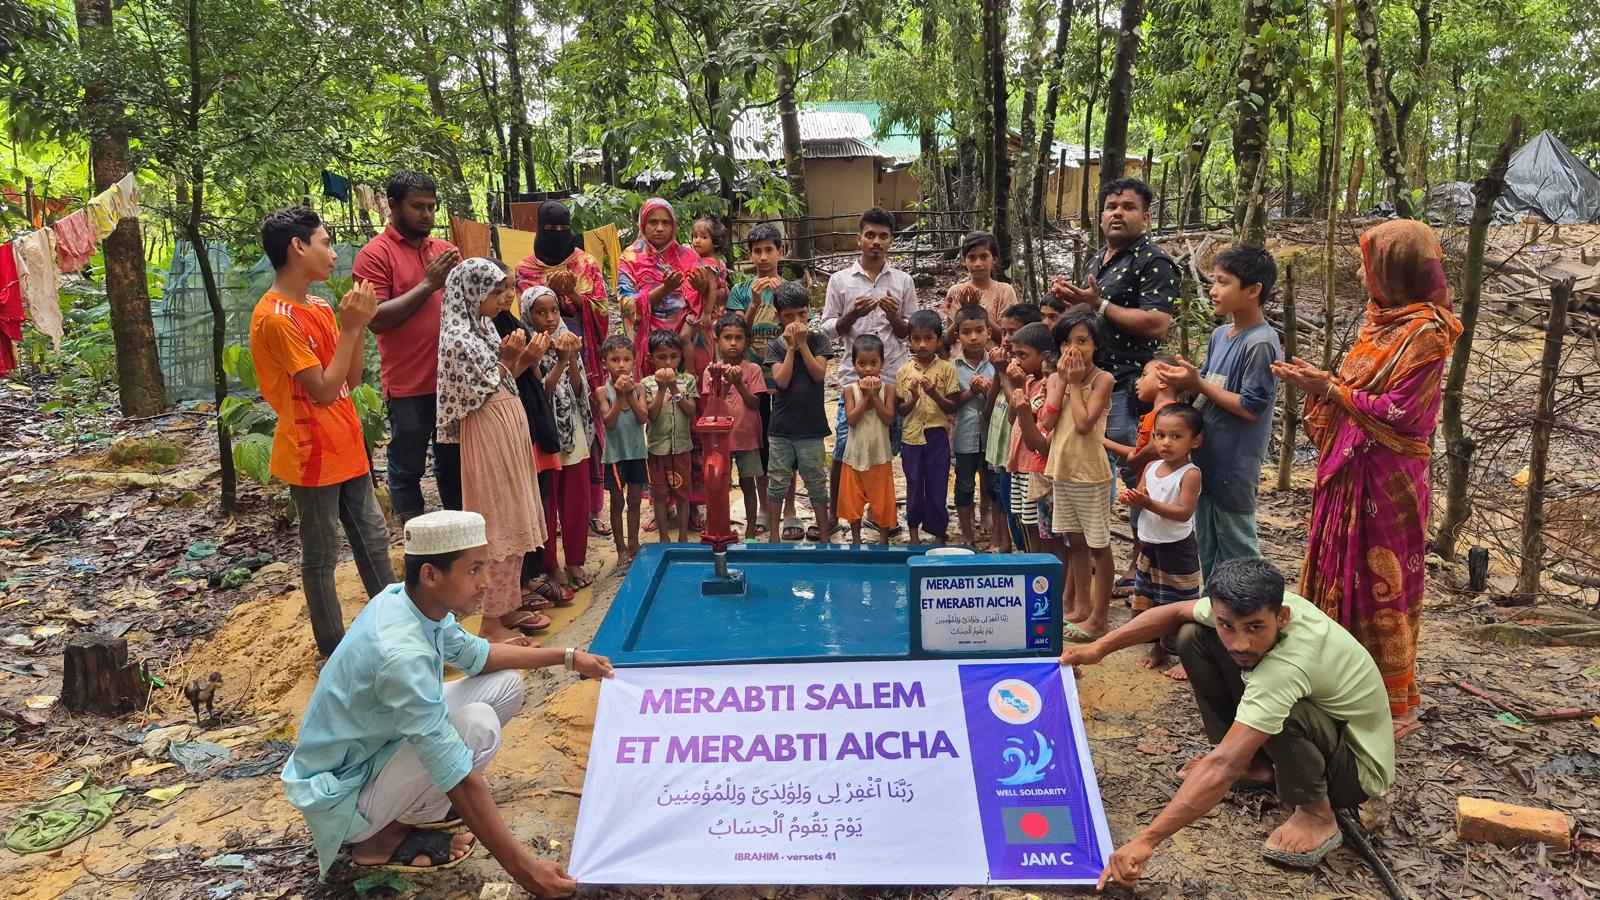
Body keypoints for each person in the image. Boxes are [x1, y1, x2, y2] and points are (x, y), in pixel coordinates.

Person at [281, 509, 611, 899]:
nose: (486, 583)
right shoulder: (400, 653)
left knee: (503, 686)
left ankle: (418, 809)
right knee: (475, 727)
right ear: (431, 575)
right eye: (473, 570)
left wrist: (569, 657)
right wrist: (527, 872)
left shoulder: (408, 602)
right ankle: (380, 839)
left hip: (378, 747)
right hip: (344, 797)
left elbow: (478, 656)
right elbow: (455, 771)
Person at [1061, 559, 1395, 888]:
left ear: (1282, 617)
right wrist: (1099, 649)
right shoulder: (1258, 606)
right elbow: (1175, 613)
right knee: (1192, 634)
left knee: (1284, 710)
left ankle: (1317, 813)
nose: (1239, 642)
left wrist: (1146, 841)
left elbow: (1223, 765)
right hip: (1324, 735)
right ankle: (1258, 764)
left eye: (1254, 627)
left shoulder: (1289, 668)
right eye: (1227, 625)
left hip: (1354, 770)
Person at [1271, 219, 1462, 737]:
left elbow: (1401, 414)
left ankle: (1390, 702)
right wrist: (1320, 385)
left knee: (1380, 584)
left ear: (1394, 270)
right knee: (1340, 570)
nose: (1359, 272)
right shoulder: (1381, 322)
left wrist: (1328, 388)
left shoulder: (1425, 332)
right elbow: (1353, 390)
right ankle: (1335, 681)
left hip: (1387, 478)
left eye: (1367, 261)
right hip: (1349, 467)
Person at [249, 206, 395, 660]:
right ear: (298, 247)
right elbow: (325, 391)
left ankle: (396, 635)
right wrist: (352, 326)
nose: (333, 254)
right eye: (325, 243)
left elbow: (348, 379)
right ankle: (334, 652)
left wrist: (357, 326)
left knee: (373, 539)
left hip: (347, 443)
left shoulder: (317, 306)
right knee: (322, 554)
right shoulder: (275, 318)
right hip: (310, 453)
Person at [435, 259, 549, 643]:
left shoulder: (482, 327)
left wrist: (520, 359)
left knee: (517, 514)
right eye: (496, 291)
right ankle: (491, 623)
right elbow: (478, 392)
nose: (504, 299)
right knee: (499, 523)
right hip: (487, 431)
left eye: (506, 290)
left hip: (506, 424)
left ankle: (508, 604)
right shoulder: (457, 338)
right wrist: (507, 359)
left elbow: (500, 381)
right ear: (472, 291)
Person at [1158, 245, 1281, 579]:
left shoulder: (1260, 343)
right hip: (1207, 460)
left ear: (1253, 290)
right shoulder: (1219, 335)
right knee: (1207, 548)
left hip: (1235, 465)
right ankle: (1215, 618)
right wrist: (1180, 385)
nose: (1213, 290)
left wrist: (1196, 383)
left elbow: (1250, 407)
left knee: (1239, 549)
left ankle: (1255, 615)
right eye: (1213, 281)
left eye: (1223, 282)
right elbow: (1208, 394)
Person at [1050, 178, 1180, 493]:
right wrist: (1072, 302)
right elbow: (1093, 317)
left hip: (1124, 385)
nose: (1117, 213)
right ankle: (1097, 537)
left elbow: (1156, 323)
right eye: (1111, 207)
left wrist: (1098, 303)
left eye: (1128, 207)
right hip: (1087, 379)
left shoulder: (1154, 262)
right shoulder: (1100, 258)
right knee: (1090, 461)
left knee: (1135, 469)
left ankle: (1148, 540)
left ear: (1146, 217)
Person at [353, 171, 463, 525]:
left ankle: (458, 536)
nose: (427, 214)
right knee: (407, 465)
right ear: (393, 204)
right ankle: (414, 537)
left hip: (454, 382)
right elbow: (376, 319)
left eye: (432, 207)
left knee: (453, 462)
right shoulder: (374, 255)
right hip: (408, 383)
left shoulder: (445, 251)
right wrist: (430, 283)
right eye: (418, 207)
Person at [513, 200, 611, 538]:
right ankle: (550, 511)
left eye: (562, 229)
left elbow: (603, 313)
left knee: (590, 428)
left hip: (584, 355)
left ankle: (593, 508)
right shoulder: (525, 268)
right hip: (540, 356)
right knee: (548, 431)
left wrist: (575, 297)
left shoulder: (586, 264)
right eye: (550, 229)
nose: (557, 235)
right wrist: (553, 293)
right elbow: (528, 311)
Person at [821, 208, 918, 535]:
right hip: (853, 381)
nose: (876, 242)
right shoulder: (840, 280)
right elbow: (828, 328)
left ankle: (882, 513)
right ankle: (836, 512)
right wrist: (850, 315)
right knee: (844, 448)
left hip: (894, 377)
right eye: (870, 235)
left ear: (891, 240)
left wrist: (894, 319)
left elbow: (911, 332)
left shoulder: (903, 281)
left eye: (883, 236)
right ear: (859, 238)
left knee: (885, 450)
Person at [1042, 306, 1116, 642]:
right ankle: (1081, 608)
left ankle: (1099, 618)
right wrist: (1059, 382)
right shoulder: (1056, 377)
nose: (1075, 349)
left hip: (1090, 474)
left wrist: (1073, 384)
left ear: (1096, 344)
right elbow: (1048, 420)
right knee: (1075, 543)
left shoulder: (1103, 379)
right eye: (1067, 342)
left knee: (1099, 546)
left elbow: (1085, 424)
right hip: (1062, 470)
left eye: (1083, 341)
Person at [1120, 402, 1204, 678]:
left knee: (1178, 604)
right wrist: (1132, 500)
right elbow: (1140, 498)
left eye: (1176, 436)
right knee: (1151, 598)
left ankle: (1187, 657)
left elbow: (1183, 513)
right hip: (1149, 547)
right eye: (1160, 435)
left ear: (1196, 440)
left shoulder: (1190, 474)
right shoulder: (1152, 466)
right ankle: (1158, 648)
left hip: (1176, 551)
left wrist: (1148, 502)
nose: (1166, 442)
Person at [523, 286, 595, 590]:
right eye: (541, 312)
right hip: (546, 433)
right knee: (548, 500)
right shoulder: (528, 346)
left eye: (553, 310)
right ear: (528, 314)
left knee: (577, 498)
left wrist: (572, 358)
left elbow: (579, 389)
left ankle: (575, 560)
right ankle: (551, 566)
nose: (550, 318)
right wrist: (562, 361)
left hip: (572, 429)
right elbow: (542, 392)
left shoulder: (567, 337)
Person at [724, 223, 791, 538]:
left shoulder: (789, 288)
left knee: (785, 445)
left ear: (781, 251)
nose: (764, 257)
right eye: (757, 251)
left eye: (769, 250)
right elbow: (737, 333)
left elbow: (796, 326)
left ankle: (789, 509)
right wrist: (752, 303)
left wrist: (781, 300)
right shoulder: (740, 290)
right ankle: (765, 508)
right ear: (749, 256)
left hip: (784, 379)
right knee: (761, 445)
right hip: (754, 381)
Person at [1104, 356, 1182, 597]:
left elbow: (1139, 457)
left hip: (1157, 492)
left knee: (1155, 540)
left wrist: (1103, 441)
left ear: (1162, 381)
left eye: (1145, 375)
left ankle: (1155, 593)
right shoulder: (1154, 414)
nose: (1138, 381)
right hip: (1147, 488)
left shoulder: (1164, 417)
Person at [765, 282, 835, 544]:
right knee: (778, 482)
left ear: (809, 313)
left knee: (816, 482)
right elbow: (780, 381)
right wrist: (791, 348)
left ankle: (825, 536)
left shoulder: (819, 341)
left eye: (801, 315)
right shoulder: (775, 346)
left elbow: (818, 374)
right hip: (781, 429)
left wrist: (803, 344)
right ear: (779, 317)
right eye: (789, 316)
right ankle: (774, 536)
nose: (796, 321)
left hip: (812, 428)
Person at [895, 309, 961, 545]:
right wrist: (913, 397)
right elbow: (901, 411)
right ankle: (913, 533)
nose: (922, 344)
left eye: (928, 339)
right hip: (911, 437)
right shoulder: (903, 372)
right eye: (916, 339)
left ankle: (938, 534)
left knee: (938, 485)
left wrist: (933, 392)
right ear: (909, 340)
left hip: (937, 436)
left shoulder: (946, 369)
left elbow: (952, 406)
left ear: (939, 340)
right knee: (914, 485)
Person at [700, 314, 766, 537]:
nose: (733, 343)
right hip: (720, 441)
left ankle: (749, 531)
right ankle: (721, 527)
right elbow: (712, 406)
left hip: (747, 438)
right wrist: (727, 383)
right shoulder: (710, 371)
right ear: (718, 340)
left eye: (739, 337)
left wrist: (739, 382)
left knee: (749, 484)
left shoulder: (753, 369)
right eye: (727, 337)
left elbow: (755, 403)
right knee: (719, 485)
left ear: (746, 340)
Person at [985, 303, 1043, 555]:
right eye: (1004, 333)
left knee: (1030, 520)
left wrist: (1005, 373)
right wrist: (1000, 372)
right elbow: (989, 410)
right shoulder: (1010, 366)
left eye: (1013, 332)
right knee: (1010, 506)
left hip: (1026, 456)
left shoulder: (1030, 376)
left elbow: (1019, 408)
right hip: (1006, 452)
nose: (1007, 339)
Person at [837, 335, 897, 545]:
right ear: (854, 365)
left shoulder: (889, 389)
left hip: (880, 455)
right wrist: (865, 397)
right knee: (853, 502)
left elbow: (888, 418)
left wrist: (874, 396)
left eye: (874, 363)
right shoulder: (850, 390)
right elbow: (852, 420)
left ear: (883, 363)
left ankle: (883, 540)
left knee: (882, 501)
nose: (868, 369)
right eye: (862, 364)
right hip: (854, 455)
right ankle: (855, 539)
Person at [595, 336, 648, 563]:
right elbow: (609, 422)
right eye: (615, 360)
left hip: (636, 454)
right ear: (605, 363)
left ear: (634, 362)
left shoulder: (639, 388)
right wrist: (619, 398)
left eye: (626, 359)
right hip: (616, 457)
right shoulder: (603, 392)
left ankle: (634, 542)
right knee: (617, 503)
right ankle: (621, 549)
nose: (621, 365)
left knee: (635, 500)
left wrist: (629, 395)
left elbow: (643, 417)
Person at [1004, 322, 1055, 551]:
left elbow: (1038, 423)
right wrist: (1017, 385)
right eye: (1015, 355)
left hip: (1033, 465)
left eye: (1023, 355)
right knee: (1023, 519)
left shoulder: (1048, 387)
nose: (1017, 362)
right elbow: (1012, 417)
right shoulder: (1026, 381)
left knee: (1036, 524)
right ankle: (1029, 560)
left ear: (1044, 356)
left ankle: (1038, 570)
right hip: (1018, 463)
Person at [643, 329, 697, 543]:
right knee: (660, 495)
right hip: (657, 448)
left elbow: (690, 410)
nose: (668, 362)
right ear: (651, 358)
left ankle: (683, 537)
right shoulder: (647, 383)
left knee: (683, 494)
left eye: (673, 356)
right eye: (661, 357)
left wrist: (674, 388)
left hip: (682, 447)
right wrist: (661, 389)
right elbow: (652, 415)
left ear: (680, 356)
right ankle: (664, 538)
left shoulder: (688, 380)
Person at [951, 307, 996, 547]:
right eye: (966, 332)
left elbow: (1003, 399)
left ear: (989, 332)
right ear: (957, 335)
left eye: (979, 331)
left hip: (991, 436)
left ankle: (986, 511)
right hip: (965, 435)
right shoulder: (952, 367)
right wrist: (973, 391)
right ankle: (967, 531)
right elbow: (950, 403)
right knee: (964, 483)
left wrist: (990, 389)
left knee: (990, 479)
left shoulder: (996, 365)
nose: (973, 337)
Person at [938, 231, 1017, 327]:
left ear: (994, 259)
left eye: (984, 257)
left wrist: (976, 311)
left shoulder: (1005, 291)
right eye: (972, 258)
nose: (978, 264)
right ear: (964, 260)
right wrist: (963, 312)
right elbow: (949, 338)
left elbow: (1008, 337)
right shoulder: (956, 292)